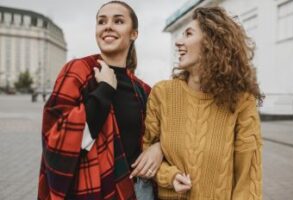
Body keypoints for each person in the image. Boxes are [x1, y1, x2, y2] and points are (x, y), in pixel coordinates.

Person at [37, 1, 160, 199]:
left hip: (133, 191)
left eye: (118, 21)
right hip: (88, 190)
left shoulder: (143, 90)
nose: (108, 26)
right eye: (101, 21)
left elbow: (159, 136)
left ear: (134, 33)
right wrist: (104, 90)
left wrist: (158, 148)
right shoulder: (78, 71)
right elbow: (55, 139)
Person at [143, 7, 264, 200]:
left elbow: (247, 179)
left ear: (212, 42)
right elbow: (146, 152)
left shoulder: (241, 101)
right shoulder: (163, 94)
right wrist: (169, 176)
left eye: (188, 34)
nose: (179, 42)